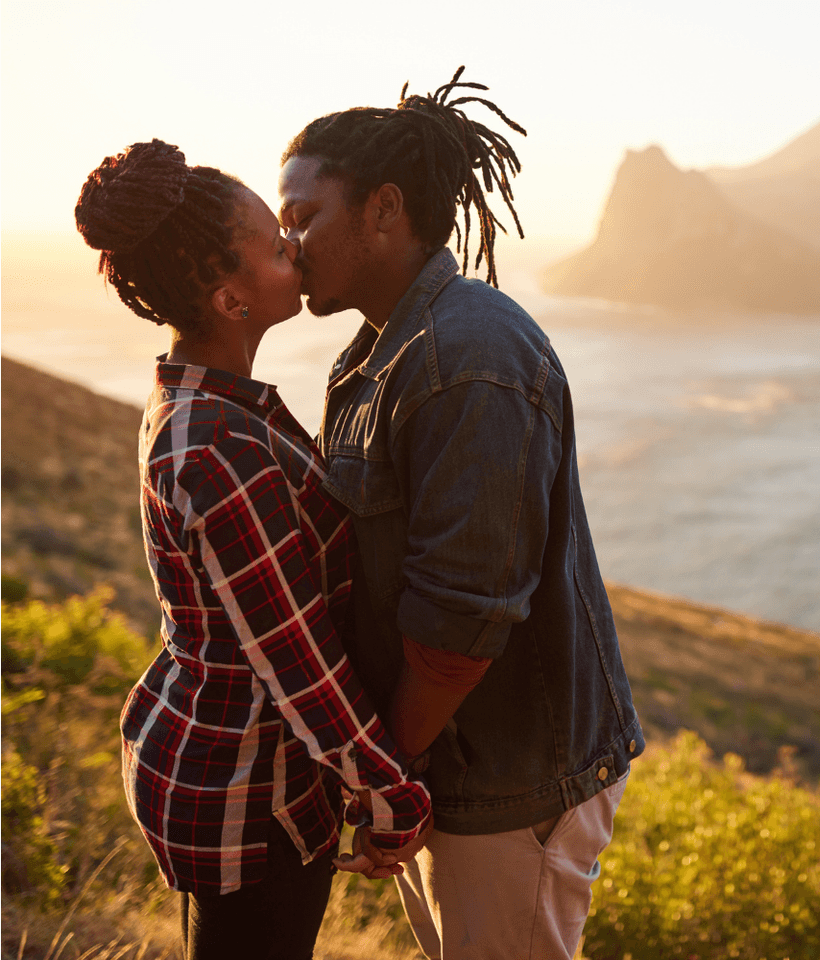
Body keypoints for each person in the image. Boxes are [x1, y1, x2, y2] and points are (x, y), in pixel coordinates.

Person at [277, 68, 645, 959]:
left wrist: (382, 778)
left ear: (384, 209)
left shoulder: (465, 356)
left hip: (512, 781)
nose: (289, 244)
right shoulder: (379, 352)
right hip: (459, 765)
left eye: (303, 216)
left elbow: (458, 626)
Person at [74, 140, 432, 959]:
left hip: (235, 767)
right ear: (233, 298)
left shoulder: (211, 406)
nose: (296, 250)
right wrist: (390, 794)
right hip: (239, 790)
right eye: (277, 246)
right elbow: (293, 656)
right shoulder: (216, 446)